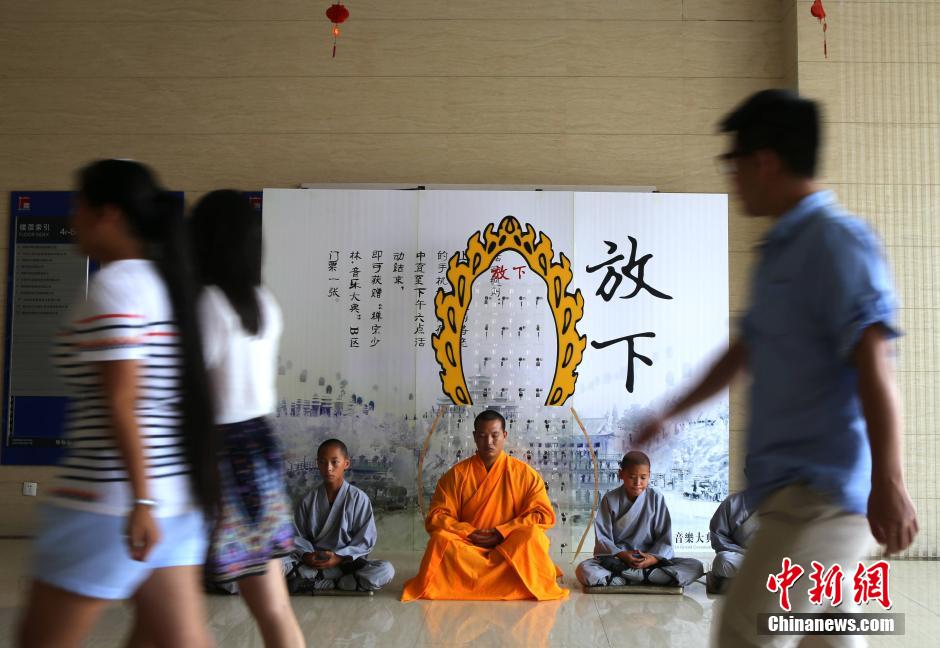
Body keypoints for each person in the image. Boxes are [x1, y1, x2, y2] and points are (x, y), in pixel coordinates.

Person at [634, 89, 919, 645]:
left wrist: (890, 481)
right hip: (793, 496)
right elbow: (746, 349)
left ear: (764, 161)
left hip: (823, 498)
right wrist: (673, 411)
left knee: (745, 633)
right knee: (828, 636)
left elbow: (875, 366)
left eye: (733, 163)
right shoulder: (778, 254)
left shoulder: (838, 244)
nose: (731, 177)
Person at [16, 160, 217, 647]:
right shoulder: (172, 288)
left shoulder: (116, 287)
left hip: (109, 505)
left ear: (108, 214)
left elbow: (120, 402)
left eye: (78, 206)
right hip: (175, 504)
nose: (72, 219)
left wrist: (140, 501)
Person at [191, 190, 304, 648]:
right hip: (259, 449)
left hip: (219, 454)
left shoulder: (208, 305)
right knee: (273, 605)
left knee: (173, 596)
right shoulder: (263, 303)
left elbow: (190, 393)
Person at [401, 409, 567, 601]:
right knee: (440, 540)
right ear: (474, 437)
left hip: (509, 545)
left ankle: (472, 584)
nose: (489, 442)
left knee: (532, 537)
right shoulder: (457, 475)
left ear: (504, 435)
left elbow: (542, 515)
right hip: (469, 546)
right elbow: (437, 516)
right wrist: (468, 532)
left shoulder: (525, 474)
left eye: (495, 435)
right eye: (482, 436)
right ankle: (509, 584)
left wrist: (503, 532)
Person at [576, 451, 704, 588]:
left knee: (695, 566)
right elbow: (603, 538)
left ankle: (623, 578)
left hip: (651, 560)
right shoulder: (610, 499)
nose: (637, 483)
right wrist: (623, 555)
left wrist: (652, 558)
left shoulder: (656, 498)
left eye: (643, 477)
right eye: (632, 477)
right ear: (621, 474)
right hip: (619, 560)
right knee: (584, 569)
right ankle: (648, 577)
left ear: (649, 476)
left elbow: (664, 539)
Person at [284, 439, 395, 593]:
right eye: (323, 462)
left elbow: (365, 542)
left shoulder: (359, 499)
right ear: (318, 464)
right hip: (313, 562)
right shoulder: (308, 500)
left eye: (334, 462)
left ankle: (316, 581)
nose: (328, 468)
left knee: (386, 570)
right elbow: (296, 536)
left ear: (346, 464)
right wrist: (307, 555)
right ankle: (340, 582)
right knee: (273, 563)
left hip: (345, 563)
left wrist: (339, 557)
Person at [707, 491, 757, 594]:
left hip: (775, 559)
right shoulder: (733, 502)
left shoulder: (787, 502)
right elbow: (720, 538)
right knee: (723, 560)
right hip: (741, 558)